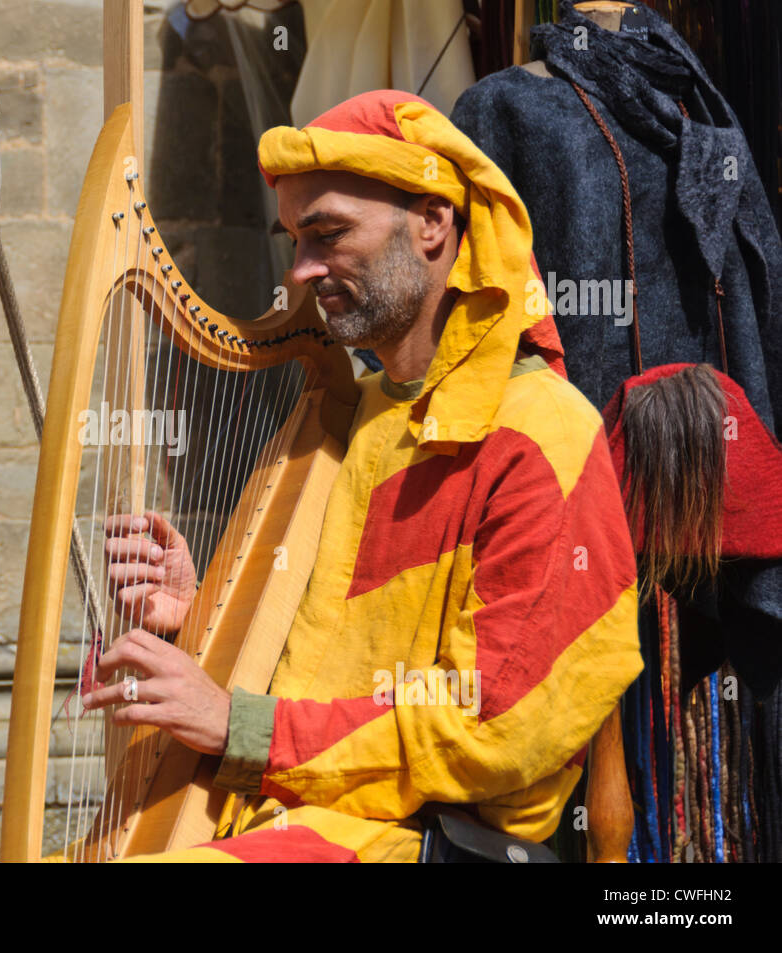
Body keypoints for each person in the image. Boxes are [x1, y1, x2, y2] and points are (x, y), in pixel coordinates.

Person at [80, 89, 644, 862]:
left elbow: (500, 730)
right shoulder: (357, 409)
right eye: (295, 239)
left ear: (434, 223)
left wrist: (243, 726)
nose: (303, 268)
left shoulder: (543, 432)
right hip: (303, 813)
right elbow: (325, 649)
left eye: (329, 233)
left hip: (436, 842)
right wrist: (198, 607)